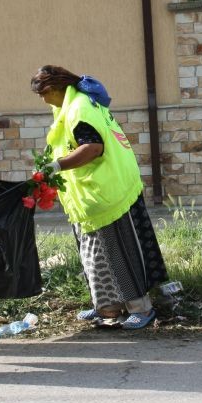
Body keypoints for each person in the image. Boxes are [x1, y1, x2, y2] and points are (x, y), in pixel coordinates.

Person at [31, 65, 167, 329]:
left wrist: (57, 166)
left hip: (107, 191)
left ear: (55, 89)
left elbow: (93, 147)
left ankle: (141, 308)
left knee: (120, 253)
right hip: (90, 196)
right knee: (95, 255)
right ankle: (108, 308)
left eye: (43, 94)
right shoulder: (71, 107)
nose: (43, 100)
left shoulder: (80, 108)